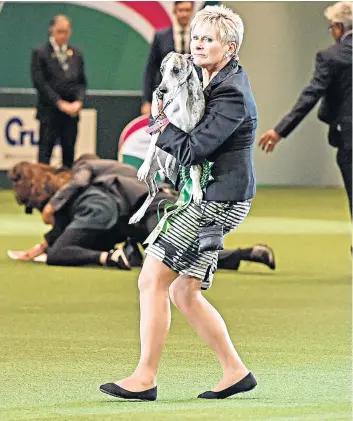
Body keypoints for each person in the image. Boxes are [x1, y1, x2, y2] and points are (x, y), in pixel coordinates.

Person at [100, 5, 258, 401]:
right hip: (217, 197)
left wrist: (158, 122)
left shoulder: (231, 93)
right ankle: (235, 371)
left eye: (210, 39)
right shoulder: (211, 79)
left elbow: (192, 149)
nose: (199, 44)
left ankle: (144, 378)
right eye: (198, 38)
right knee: (183, 291)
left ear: (231, 47)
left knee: (151, 279)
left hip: (216, 202)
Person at [9, 158, 275, 271]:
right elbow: (66, 229)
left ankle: (245, 252)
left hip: (153, 204)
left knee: (184, 257)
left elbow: (78, 184)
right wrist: (41, 247)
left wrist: (53, 205)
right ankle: (244, 254)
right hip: (138, 213)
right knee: (182, 259)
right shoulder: (84, 190)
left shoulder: (83, 167)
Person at [259, 1, 352, 217]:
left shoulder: (331, 57)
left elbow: (310, 96)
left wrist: (280, 130)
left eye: (331, 27)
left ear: (339, 27)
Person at [31, 15, 87, 168]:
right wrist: (59, 103)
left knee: (69, 155)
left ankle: (68, 189)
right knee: (45, 155)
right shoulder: (40, 53)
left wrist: (78, 102)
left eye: (66, 32)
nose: (63, 35)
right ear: (52, 30)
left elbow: (82, 83)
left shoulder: (76, 54)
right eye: (59, 31)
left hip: (71, 115)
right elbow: (40, 83)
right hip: (49, 113)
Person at [141, 1, 194, 115]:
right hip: (165, 98)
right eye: (181, 10)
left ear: (192, 11)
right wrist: (147, 101)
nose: (184, 14)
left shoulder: (198, 36)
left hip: (191, 98)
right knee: (163, 130)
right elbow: (150, 70)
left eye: (187, 10)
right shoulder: (161, 37)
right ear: (175, 11)